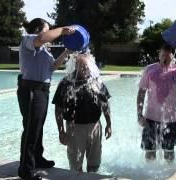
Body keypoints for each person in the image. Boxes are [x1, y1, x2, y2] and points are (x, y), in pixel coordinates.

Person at [17, 18, 76, 180]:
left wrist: (66, 52)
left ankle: (38, 158)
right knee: (31, 129)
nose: (50, 33)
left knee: (38, 127)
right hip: (31, 89)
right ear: (37, 29)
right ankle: (25, 170)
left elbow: (53, 67)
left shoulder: (44, 50)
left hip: (42, 90)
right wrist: (63, 29)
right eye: (47, 29)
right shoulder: (28, 40)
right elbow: (42, 38)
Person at [52, 53, 112, 172]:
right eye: (82, 66)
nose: (85, 69)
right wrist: (61, 131)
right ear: (75, 66)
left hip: (95, 126)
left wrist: (109, 124)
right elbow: (58, 109)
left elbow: (105, 104)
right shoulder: (66, 83)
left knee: (94, 163)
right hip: (74, 128)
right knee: (75, 164)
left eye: (87, 66)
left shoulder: (97, 82)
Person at [137, 43, 176, 162]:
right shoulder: (150, 70)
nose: (165, 58)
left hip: (171, 119)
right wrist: (140, 115)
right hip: (150, 118)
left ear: (173, 56)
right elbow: (141, 93)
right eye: (163, 55)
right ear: (159, 54)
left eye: (168, 55)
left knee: (169, 152)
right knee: (150, 152)